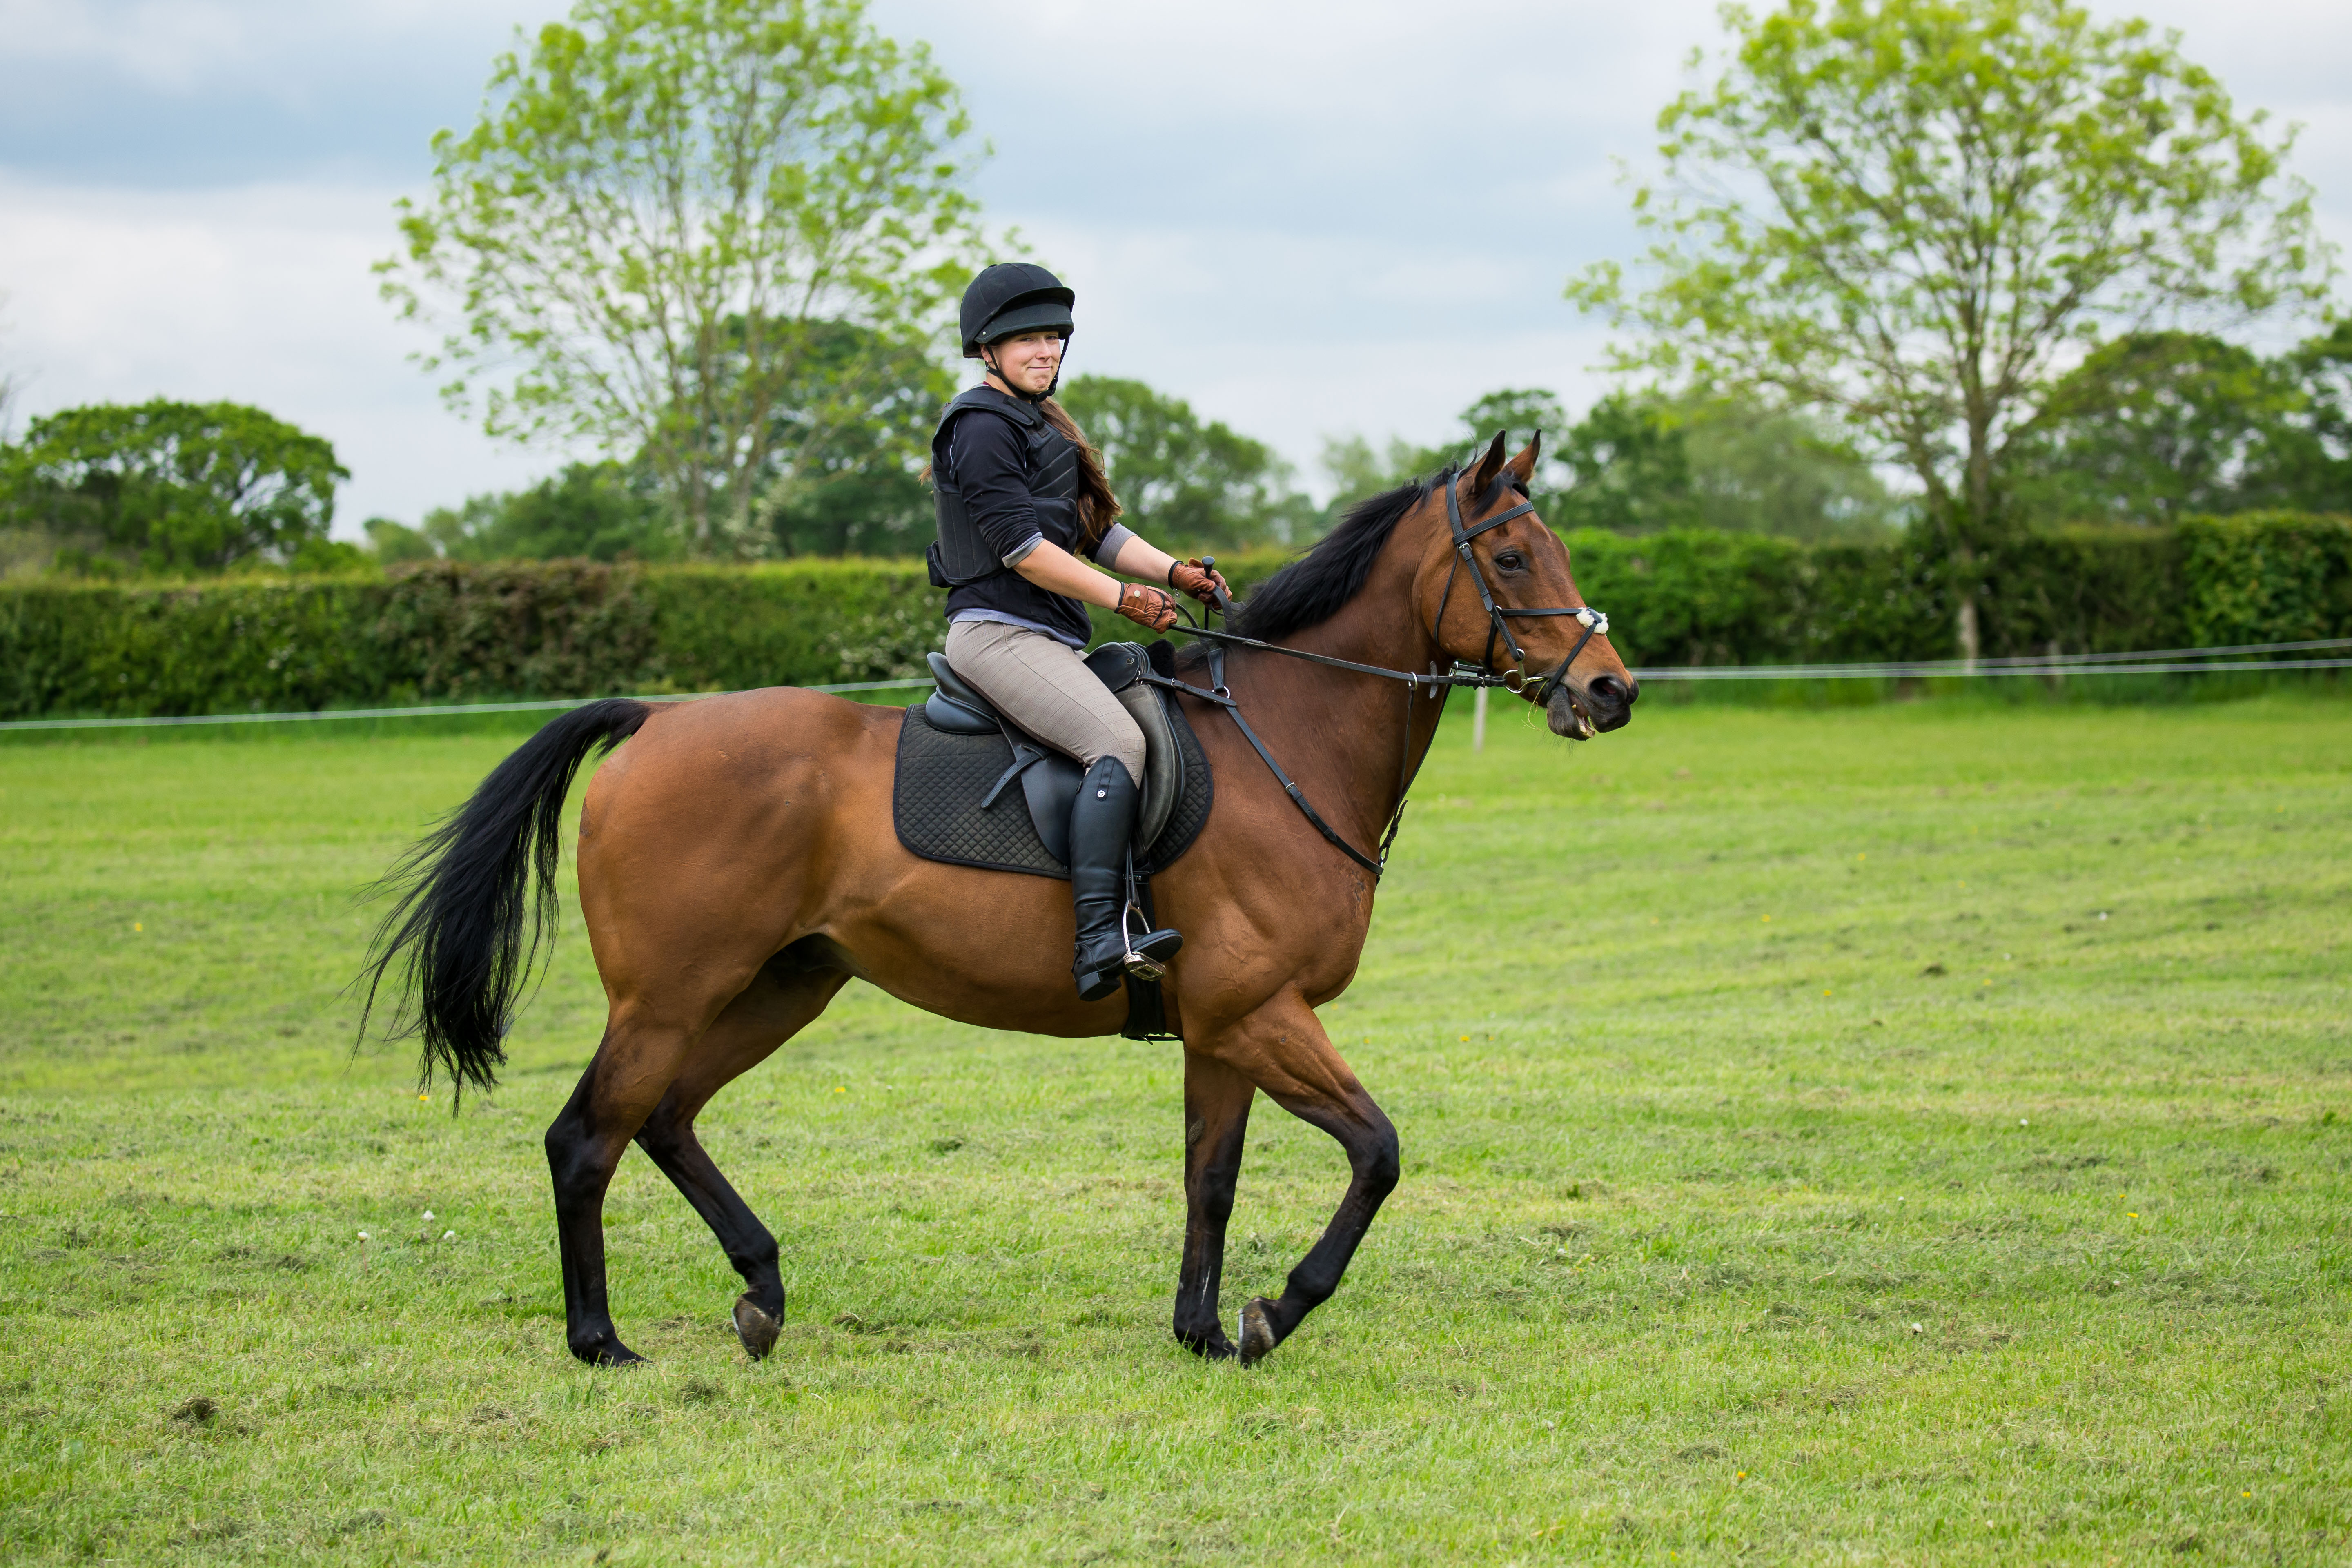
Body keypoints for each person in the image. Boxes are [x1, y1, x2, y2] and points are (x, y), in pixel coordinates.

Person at [928, 263, 1229, 1002]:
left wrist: (1173, 573)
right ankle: (1101, 937)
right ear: (987, 350)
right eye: (1026, 339)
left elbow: (1096, 533)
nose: (1046, 351)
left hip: (1047, 639)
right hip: (998, 634)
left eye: (1054, 338)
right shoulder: (979, 427)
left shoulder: (1045, 424)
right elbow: (1021, 550)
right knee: (1118, 743)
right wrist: (1125, 600)